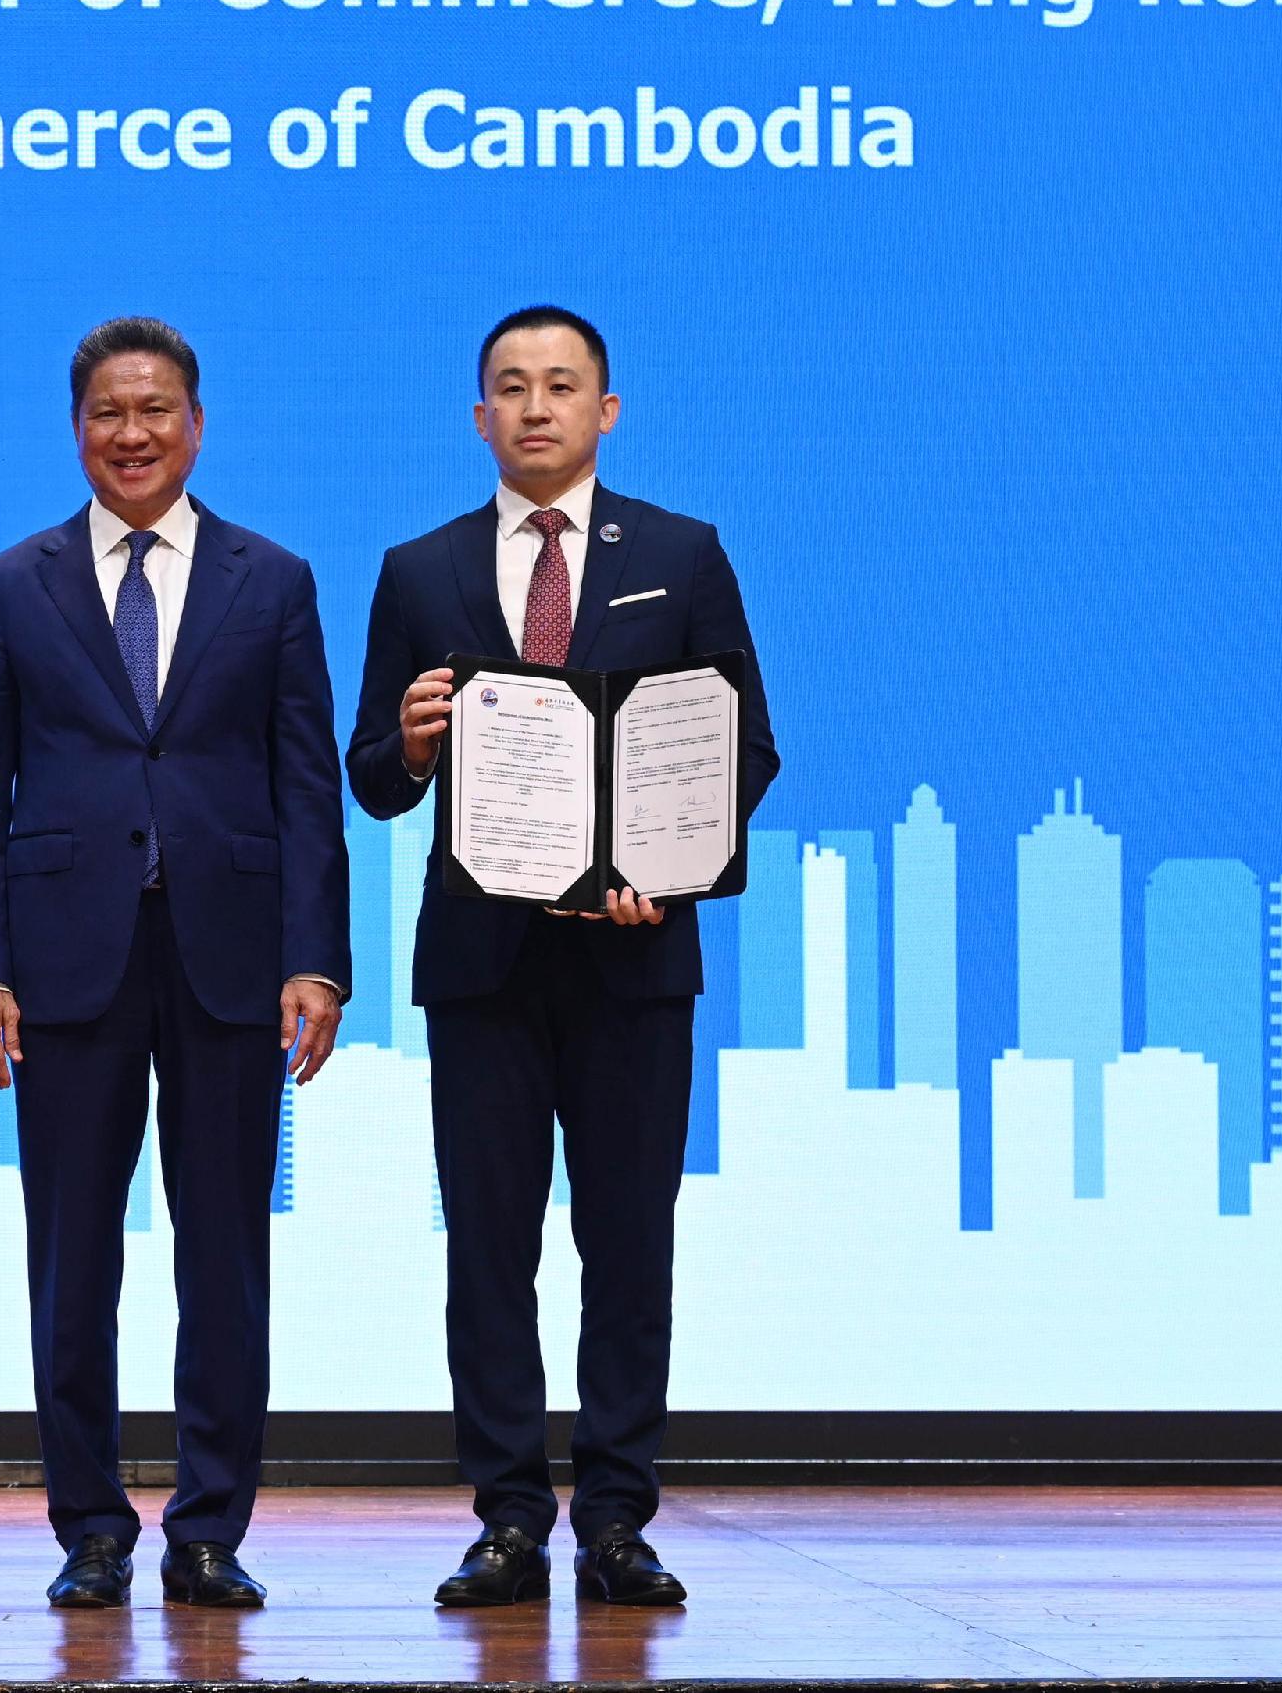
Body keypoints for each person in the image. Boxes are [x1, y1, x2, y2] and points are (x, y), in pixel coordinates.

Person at [344, 304, 777, 1611]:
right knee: (488, 1249)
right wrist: (413, 744)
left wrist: (677, 859)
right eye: (510, 388)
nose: (536, 407)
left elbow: (743, 744)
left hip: (635, 958)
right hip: (482, 965)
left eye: (562, 385)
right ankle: (509, 1517)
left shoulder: (685, 554)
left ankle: (620, 1518)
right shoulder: (419, 568)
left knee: (627, 1242)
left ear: (608, 409)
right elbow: (369, 773)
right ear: (479, 416)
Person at [0, 317, 349, 1611]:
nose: (133, 431)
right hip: (65, 962)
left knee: (225, 1252)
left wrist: (318, 958)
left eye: (157, 408)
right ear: (79, 429)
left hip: (231, 956)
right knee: (73, 1256)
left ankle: (213, 1524)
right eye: (110, 410)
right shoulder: (14, 582)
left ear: (197, 422)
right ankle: (92, 1527)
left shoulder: (271, 577)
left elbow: (305, 785)